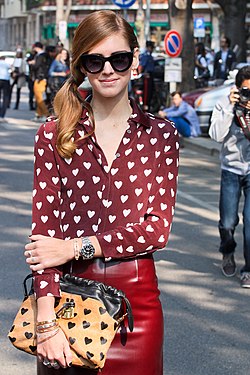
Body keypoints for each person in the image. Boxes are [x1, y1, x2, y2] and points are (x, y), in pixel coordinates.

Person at [23, 10, 179, 374]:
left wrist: (75, 246)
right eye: (96, 61)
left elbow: (156, 229)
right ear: (82, 67)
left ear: (135, 60)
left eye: (119, 59)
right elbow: (45, 237)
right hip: (68, 302)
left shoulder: (160, 135)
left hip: (136, 310)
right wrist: (45, 320)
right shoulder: (52, 135)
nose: (108, 70)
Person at [209, 65, 250, 288]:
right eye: (245, 91)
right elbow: (216, 136)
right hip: (231, 170)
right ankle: (228, 251)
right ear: (237, 89)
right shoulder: (226, 104)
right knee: (227, 222)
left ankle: (249, 269)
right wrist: (229, 107)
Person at [28, 41, 50, 122]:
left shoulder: (40, 56)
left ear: (36, 47)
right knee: (37, 97)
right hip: (41, 78)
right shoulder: (44, 55)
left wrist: (32, 63)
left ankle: (45, 114)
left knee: (39, 97)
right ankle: (39, 114)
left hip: (40, 78)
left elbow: (36, 66)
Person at [138, 40, 155, 111]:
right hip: (147, 76)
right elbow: (141, 66)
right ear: (148, 47)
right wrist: (140, 74)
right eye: (151, 48)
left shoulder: (150, 56)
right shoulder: (145, 56)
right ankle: (145, 106)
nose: (152, 49)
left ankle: (148, 105)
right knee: (146, 92)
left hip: (151, 76)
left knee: (151, 91)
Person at [0, 55, 11, 122]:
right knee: (5, 97)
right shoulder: (7, 64)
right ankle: (2, 115)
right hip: (6, 80)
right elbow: (11, 68)